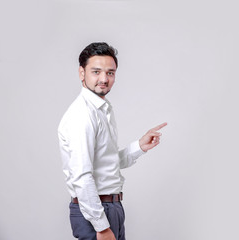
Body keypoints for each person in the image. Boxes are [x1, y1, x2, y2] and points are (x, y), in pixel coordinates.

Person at [58, 42, 167, 240]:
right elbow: (81, 177)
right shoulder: (82, 115)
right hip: (96, 211)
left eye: (110, 73)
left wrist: (139, 147)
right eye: (96, 71)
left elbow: (105, 162)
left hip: (111, 207)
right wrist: (101, 226)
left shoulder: (101, 109)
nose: (104, 79)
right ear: (81, 73)